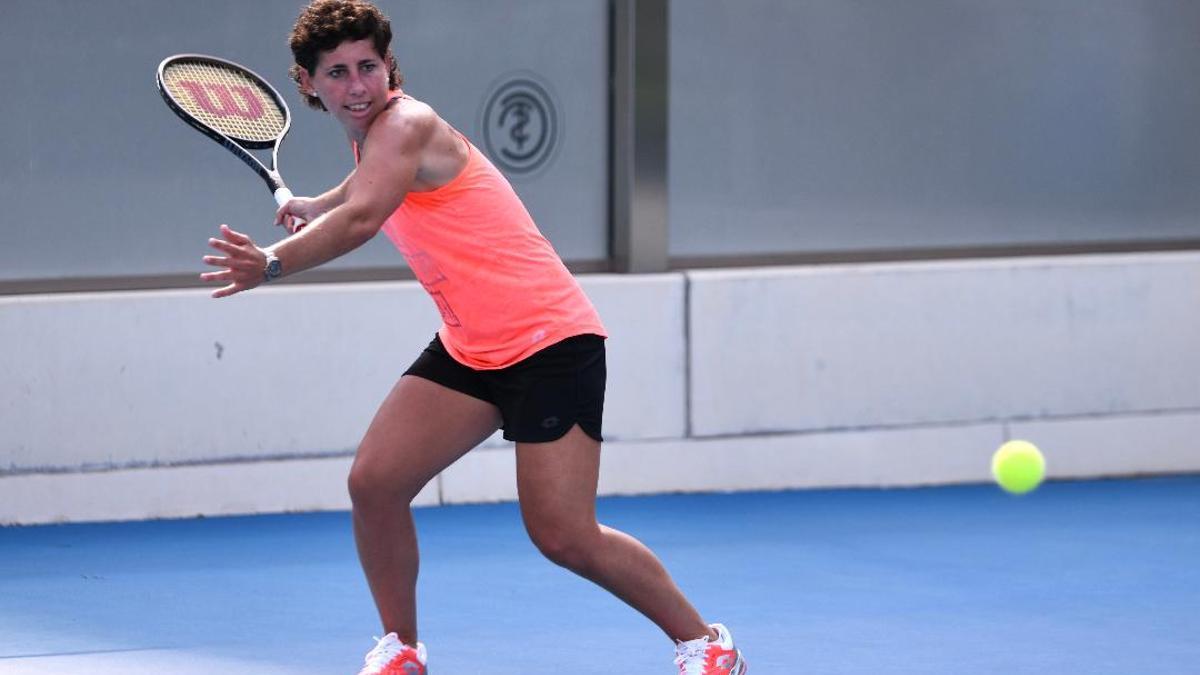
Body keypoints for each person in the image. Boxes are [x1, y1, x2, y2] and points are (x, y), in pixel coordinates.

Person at [200, 1, 746, 673]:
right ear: (308, 84)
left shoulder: (406, 122)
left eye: (368, 66)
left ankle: (706, 642)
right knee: (374, 483)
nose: (358, 85)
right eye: (337, 73)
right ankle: (401, 648)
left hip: (550, 343)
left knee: (564, 535)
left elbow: (368, 215)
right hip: (472, 347)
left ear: (389, 65)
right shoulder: (375, 138)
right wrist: (317, 203)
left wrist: (273, 262)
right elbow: (364, 183)